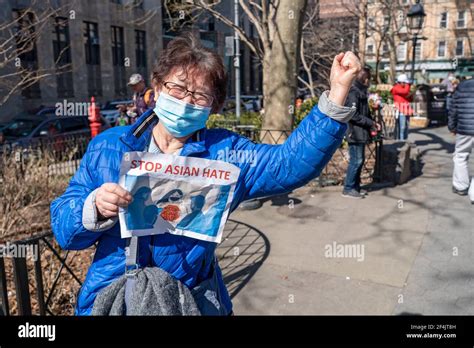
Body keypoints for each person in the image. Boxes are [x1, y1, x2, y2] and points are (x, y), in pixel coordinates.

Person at [50, 33, 361, 316]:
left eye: (200, 96)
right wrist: (92, 208)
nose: (186, 102)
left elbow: (289, 164)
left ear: (213, 107)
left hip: (190, 301)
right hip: (113, 299)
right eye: (178, 88)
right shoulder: (108, 146)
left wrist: (336, 95)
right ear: (157, 88)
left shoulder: (225, 153)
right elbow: (65, 230)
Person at [342, 67, 381, 199]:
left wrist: (373, 123)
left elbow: (364, 113)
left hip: (361, 132)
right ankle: (348, 188)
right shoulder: (354, 91)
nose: (369, 81)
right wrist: (370, 123)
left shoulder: (360, 91)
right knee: (356, 160)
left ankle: (356, 187)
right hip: (355, 132)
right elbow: (352, 114)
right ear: (363, 78)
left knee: (360, 160)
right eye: (368, 78)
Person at [448, 78, 474, 204]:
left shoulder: (462, 86)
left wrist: (452, 127)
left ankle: (461, 186)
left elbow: (453, 109)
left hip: (464, 129)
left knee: (461, 156)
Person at [391, 74, 413, 140]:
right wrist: (408, 85)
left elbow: (408, 97)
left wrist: (411, 96)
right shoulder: (395, 88)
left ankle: (406, 141)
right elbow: (405, 92)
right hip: (401, 110)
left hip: (406, 109)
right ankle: (401, 141)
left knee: (406, 127)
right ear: (400, 82)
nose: (406, 84)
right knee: (402, 127)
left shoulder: (404, 88)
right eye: (405, 83)